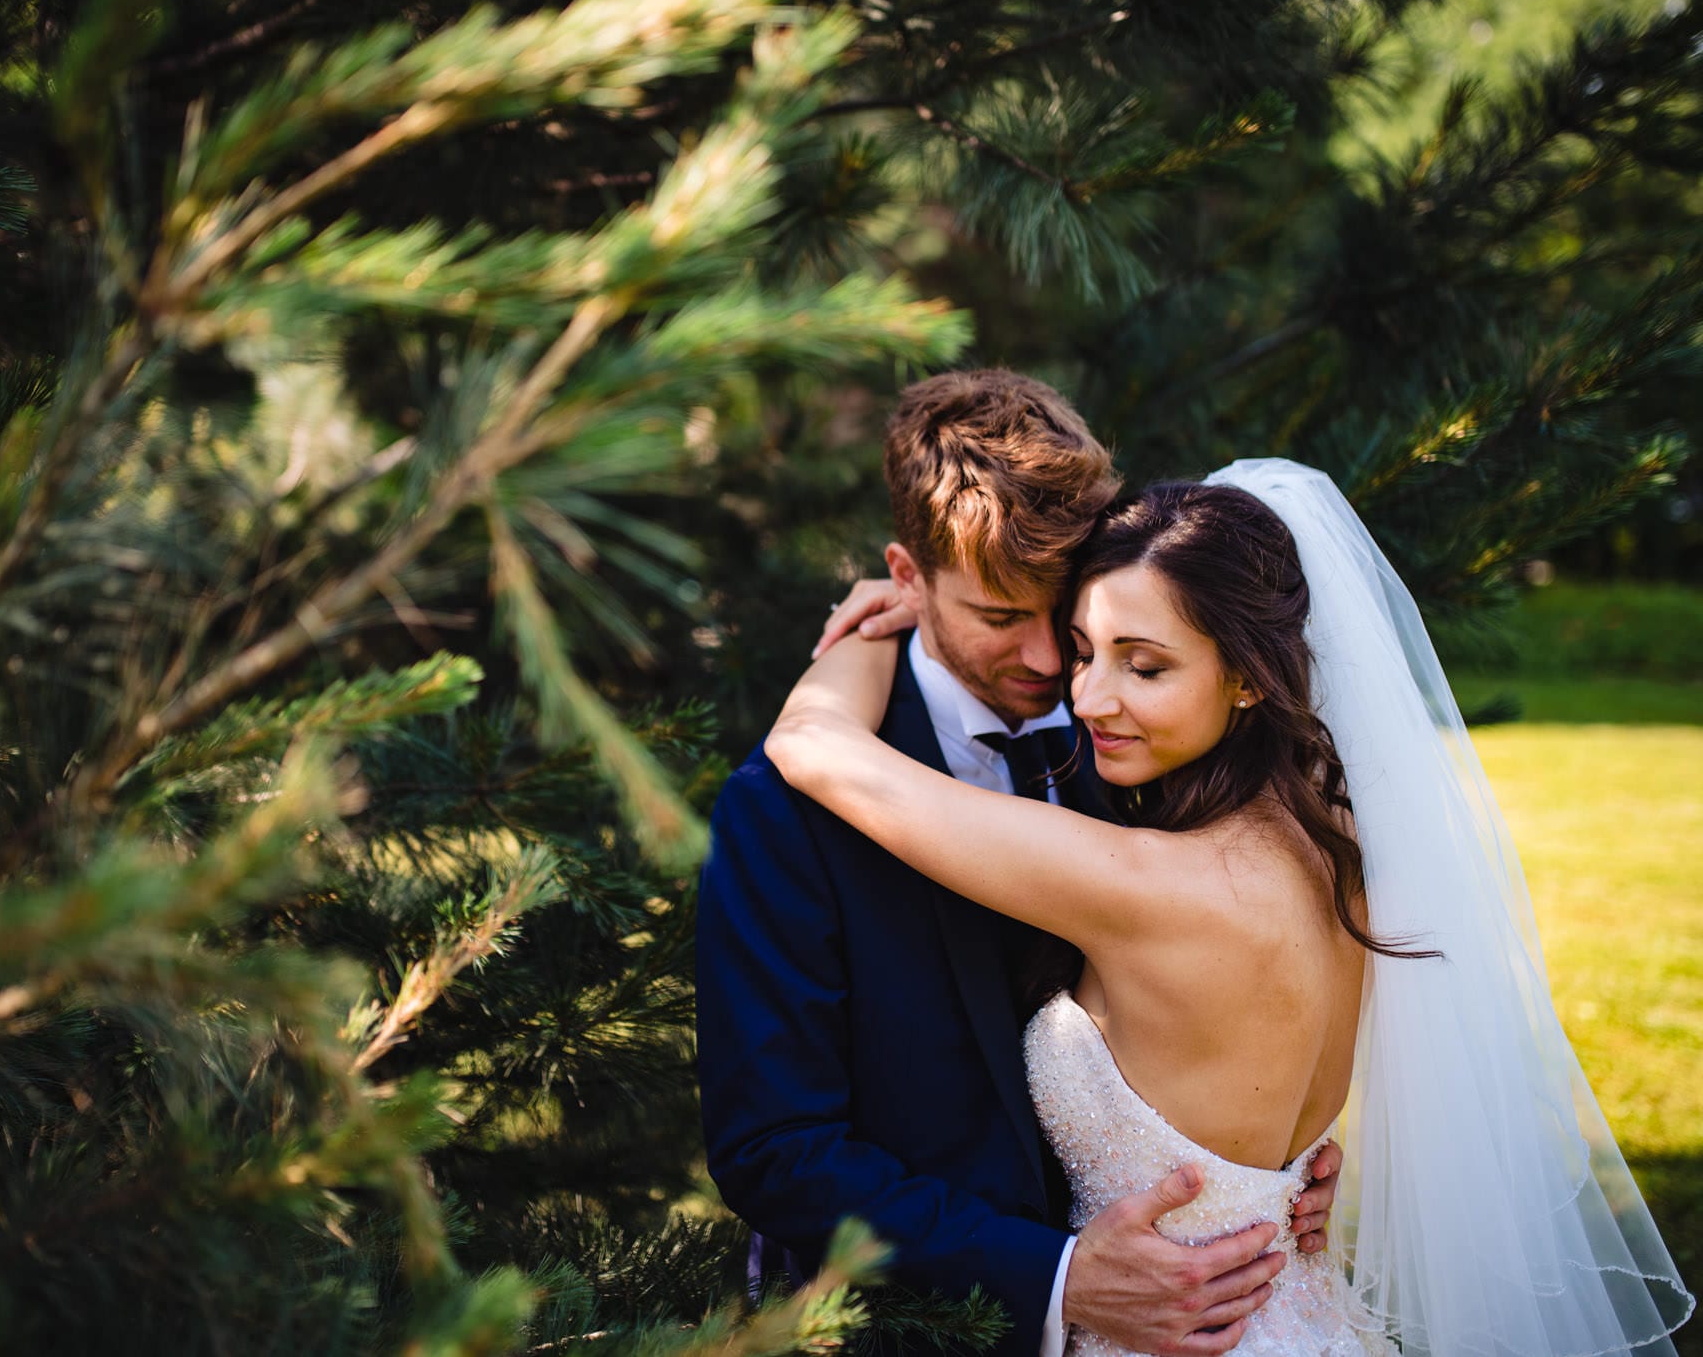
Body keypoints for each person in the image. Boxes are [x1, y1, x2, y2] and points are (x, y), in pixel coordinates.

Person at [765, 459, 1694, 1355]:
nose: (1087, 696)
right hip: (1305, 1313)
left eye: (1146, 666)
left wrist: (883, 623)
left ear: (1248, 677)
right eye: (1085, 650)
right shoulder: (1343, 837)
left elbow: (809, 745)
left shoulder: (1139, 886)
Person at [695, 371, 1343, 1357]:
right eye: (999, 615)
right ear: (903, 579)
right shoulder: (782, 812)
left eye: (1068, 613)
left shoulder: (1149, 754)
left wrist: (1277, 1165)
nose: (1053, 663)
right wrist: (1053, 1280)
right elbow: (778, 1149)